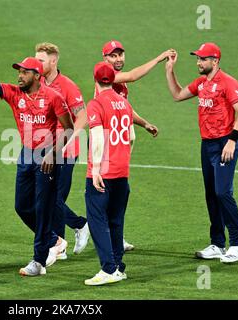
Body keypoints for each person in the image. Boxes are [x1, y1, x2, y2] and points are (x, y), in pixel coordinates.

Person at [0, 48, 74, 276]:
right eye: (19, 72)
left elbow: (69, 129)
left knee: (42, 209)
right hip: (26, 155)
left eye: (24, 72)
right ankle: (54, 239)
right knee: (21, 206)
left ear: (37, 76)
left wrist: (53, 153)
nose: (19, 76)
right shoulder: (14, 94)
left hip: (47, 157)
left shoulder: (53, 97)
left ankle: (38, 262)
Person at [164, 42, 238, 263]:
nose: (199, 62)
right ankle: (218, 244)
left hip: (224, 144)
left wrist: (232, 140)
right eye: (198, 58)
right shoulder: (202, 83)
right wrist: (169, 70)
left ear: (215, 61)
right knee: (211, 194)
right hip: (207, 145)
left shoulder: (228, 83)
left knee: (223, 192)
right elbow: (177, 94)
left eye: (203, 59)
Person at [84, 62, 158, 286]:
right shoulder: (124, 104)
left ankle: (108, 269)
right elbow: (132, 137)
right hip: (121, 173)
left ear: (96, 80)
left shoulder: (96, 104)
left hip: (102, 173)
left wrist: (96, 169)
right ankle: (118, 267)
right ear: (113, 81)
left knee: (97, 221)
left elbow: (97, 137)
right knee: (116, 222)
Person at [99, 40, 174, 251]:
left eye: (120, 54)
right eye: (113, 55)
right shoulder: (105, 75)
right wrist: (159, 58)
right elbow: (132, 76)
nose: (118, 59)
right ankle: (100, 235)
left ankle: (115, 236)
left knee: (119, 192)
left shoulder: (119, 85)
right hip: (107, 143)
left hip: (119, 143)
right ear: (105, 58)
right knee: (108, 192)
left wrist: (144, 124)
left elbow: (125, 110)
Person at [34, 42, 90, 258]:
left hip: (65, 151)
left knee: (53, 199)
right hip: (43, 150)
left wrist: (71, 135)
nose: (37, 64)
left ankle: (80, 225)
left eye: (41, 60)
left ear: (53, 61)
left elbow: (82, 114)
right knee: (51, 198)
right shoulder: (36, 83)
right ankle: (59, 246)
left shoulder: (67, 86)